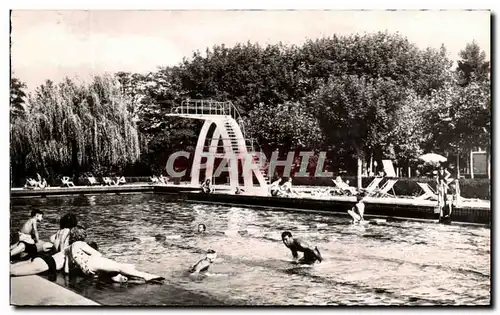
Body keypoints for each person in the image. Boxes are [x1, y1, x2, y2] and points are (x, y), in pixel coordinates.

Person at [66, 226, 164, 283]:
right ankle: (144, 275)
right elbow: (97, 254)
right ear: (82, 235)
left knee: (108, 270)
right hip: (91, 262)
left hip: (85, 270)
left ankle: (118, 277)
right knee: (119, 266)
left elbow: (67, 269)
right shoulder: (81, 243)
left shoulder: (69, 248)